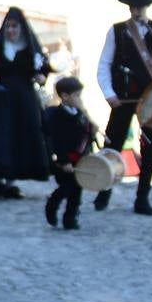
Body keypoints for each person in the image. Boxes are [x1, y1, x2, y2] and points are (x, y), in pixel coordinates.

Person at [93, 0, 152, 216]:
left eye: (140, 7)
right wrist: (109, 94)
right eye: (133, 7)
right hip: (123, 98)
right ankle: (104, 191)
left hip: (151, 99)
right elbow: (104, 64)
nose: (137, 11)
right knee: (112, 145)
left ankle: (142, 198)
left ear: (147, 8)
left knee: (150, 148)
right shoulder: (117, 30)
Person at [0, 7, 51, 199]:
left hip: (23, 100)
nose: (11, 30)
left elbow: (43, 71)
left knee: (18, 138)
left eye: (15, 26)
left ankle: (12, 181)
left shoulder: (31, 50)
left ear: (22, 28)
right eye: (8, 26)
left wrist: (40, 77)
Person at [43, 76, 96, 230]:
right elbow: (57, 141)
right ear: (65, 96)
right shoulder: (57, 116)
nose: (80, 99)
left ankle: (70, 218)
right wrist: (64, 161)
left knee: (77, 190)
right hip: (65, 160)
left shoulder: (80, 114)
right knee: (66, 188)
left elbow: (86, 135)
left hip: (80, 159)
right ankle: (52, 205)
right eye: (77, 95)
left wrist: (92, 129)